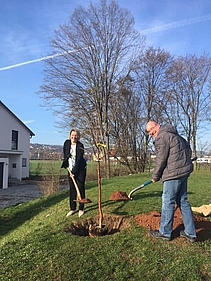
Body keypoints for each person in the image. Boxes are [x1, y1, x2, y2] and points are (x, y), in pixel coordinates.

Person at [146, 121, 196, 242]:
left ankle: (165, 232)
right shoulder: (174, 134)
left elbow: (160, 159)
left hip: (173, 174)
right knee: (182, 200)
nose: (151, 134)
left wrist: (155, 176)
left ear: (154, 128)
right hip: (184, 171)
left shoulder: (162, 137)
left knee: (167, 201)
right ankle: (190, 233)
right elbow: (188, 149)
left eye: (150, 132)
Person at [61, 129, 87, 218]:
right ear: (70, 135)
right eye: (72, 135)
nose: (74, 137)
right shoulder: (66, 143)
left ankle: (81, 208)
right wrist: (66, 165)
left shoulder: (80, 146)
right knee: (72, 189)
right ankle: (72, 208)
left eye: (75, 135)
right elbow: (65, 154)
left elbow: (79, 160)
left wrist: (74, 172)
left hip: (80, 170)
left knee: (80, 188)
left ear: (78, 136)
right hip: (70, 169)